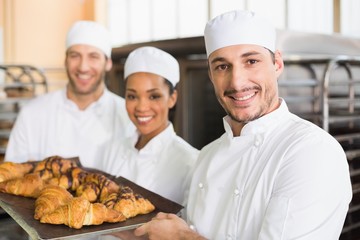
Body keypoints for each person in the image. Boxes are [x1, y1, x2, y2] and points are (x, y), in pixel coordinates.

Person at [133, 10, 353, 240]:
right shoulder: (206, 157)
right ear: (210, 74)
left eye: (251, 61)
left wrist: (180, 237)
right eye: (222, 66)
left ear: (277, 63)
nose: (237, 82)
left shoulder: (312, 152)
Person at [5, 21, 133, 169]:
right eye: (75, 56)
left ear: (108, 63)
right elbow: (12, 177)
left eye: (93, 56)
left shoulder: (127, 117)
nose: (83, 67)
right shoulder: (32, 114)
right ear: (65, 60)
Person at [102, 46, 199, 205]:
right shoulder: (112, 149)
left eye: (154, 96)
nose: (141, 107)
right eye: (132, 96)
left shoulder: (190, 162)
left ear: (172, 98)